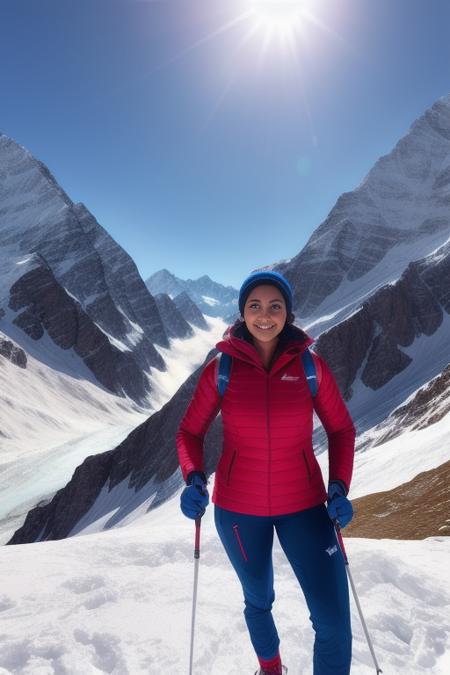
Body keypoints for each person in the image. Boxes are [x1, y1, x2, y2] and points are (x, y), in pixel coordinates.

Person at [176, 270, 355, 675]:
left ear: (287, 315)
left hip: (306, 506)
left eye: (275, 306)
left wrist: (340, 486)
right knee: (259, 598)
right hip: (239, 510)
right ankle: (271, 669)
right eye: (254, 305)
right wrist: (194, 478)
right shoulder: (220, 371)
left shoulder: (312, 368)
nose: (264, 314)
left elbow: (341, 428)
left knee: (333, 622)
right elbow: (189, 432)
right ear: (242, 313)